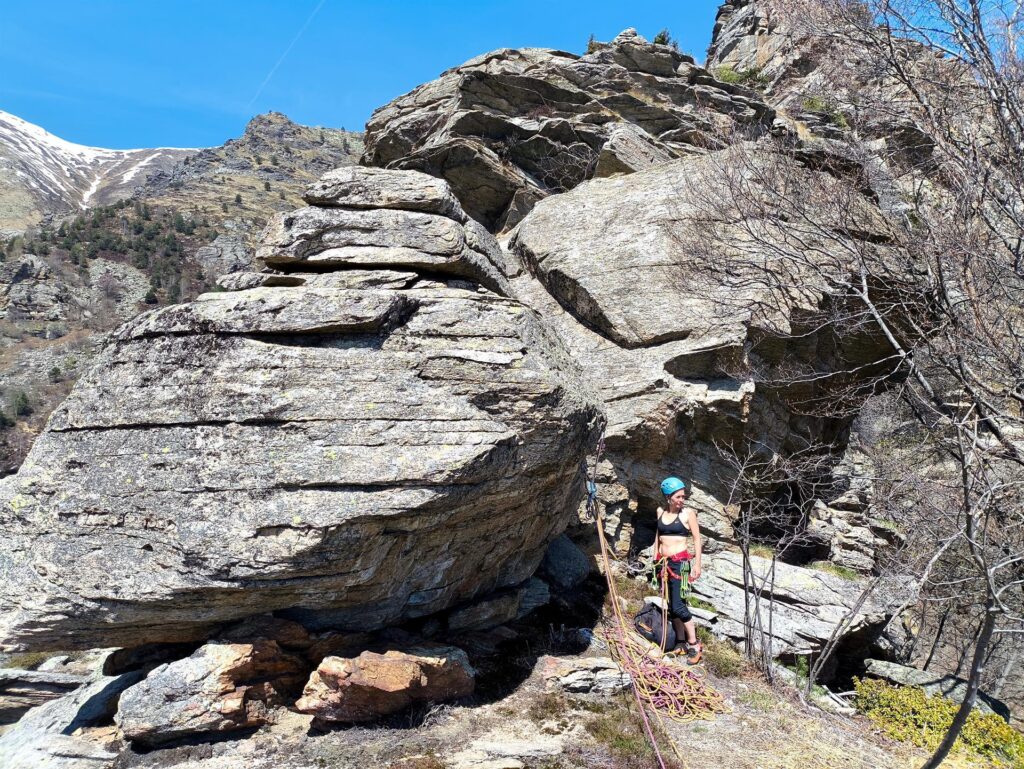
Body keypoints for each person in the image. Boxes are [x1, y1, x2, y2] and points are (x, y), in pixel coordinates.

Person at [655, 476, 703, 664]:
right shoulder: (660, 512)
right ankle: (680, 643)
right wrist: (654, 561)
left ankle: (694, 644)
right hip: (663, 564)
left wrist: (697, 564)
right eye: (678, 497)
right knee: (671, 604)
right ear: (668, 497)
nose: (682, 500)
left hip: (680, 564)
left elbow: (697, 539)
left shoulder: (687, 514)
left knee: (678, 605)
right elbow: (657, 538)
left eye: (683, 496)